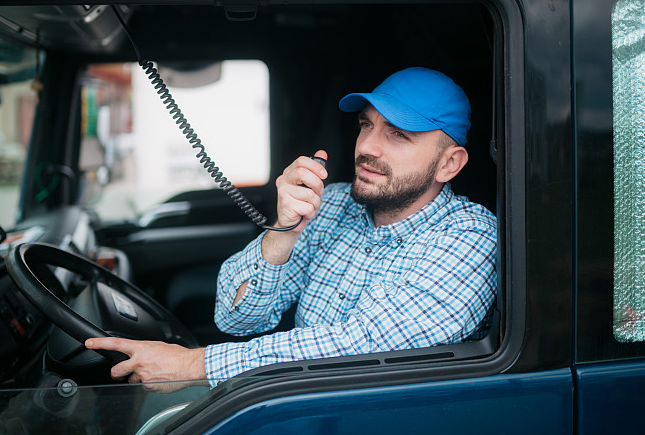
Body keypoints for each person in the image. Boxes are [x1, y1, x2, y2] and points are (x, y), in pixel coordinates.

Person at [86, 67, 498, 387]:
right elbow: (237, 319)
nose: (368, 146)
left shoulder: (471, 237)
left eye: (399, 135)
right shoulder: (333, 202)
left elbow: (361, 347)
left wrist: (193, 365)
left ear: (449, 164)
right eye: (366, 125)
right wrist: (284, 231)